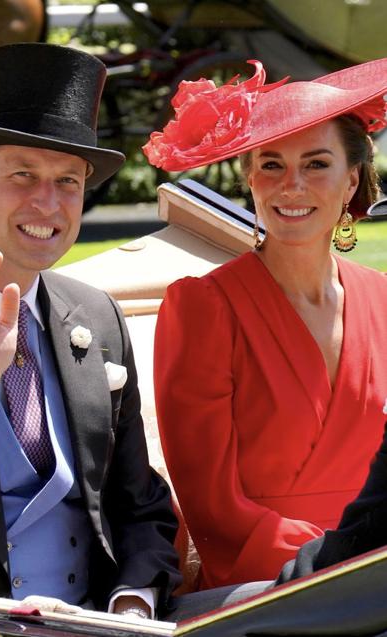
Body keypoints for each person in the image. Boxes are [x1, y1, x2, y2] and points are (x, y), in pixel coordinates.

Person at [0, 42, 184, 621]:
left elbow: (138, 505)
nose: (48, 202)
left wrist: (133, 603)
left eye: (68, 180)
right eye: (24, 174)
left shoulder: (97, 318)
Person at [143, 57, 387, 590]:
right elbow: (212, 508)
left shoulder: (385, 300)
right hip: (264, 585)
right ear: (250, 179)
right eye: (271, 165)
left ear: (351, 181)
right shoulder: (202, 307)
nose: (291, 186)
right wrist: (331, 568)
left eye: (316, 165)